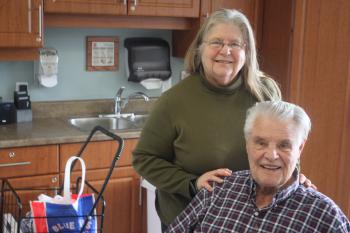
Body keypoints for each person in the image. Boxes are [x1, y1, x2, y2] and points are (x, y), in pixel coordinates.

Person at [132, 9, 311, 230]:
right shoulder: (173, 101)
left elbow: (285, 139)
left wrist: (294, 176)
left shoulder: (264, 91)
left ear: (246, 51)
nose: (225, 51)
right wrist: (192, 183)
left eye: (235, 44)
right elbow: (144, 159)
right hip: (190, 219)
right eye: (216, 42)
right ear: (201, 48)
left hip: (248, 219)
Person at [165, 101, 350, 233]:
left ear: (300, 148)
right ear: (247, 144)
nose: (271, 155)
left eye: (284, 145)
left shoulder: (325, 216)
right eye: (260, 143)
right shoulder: (217, 189)